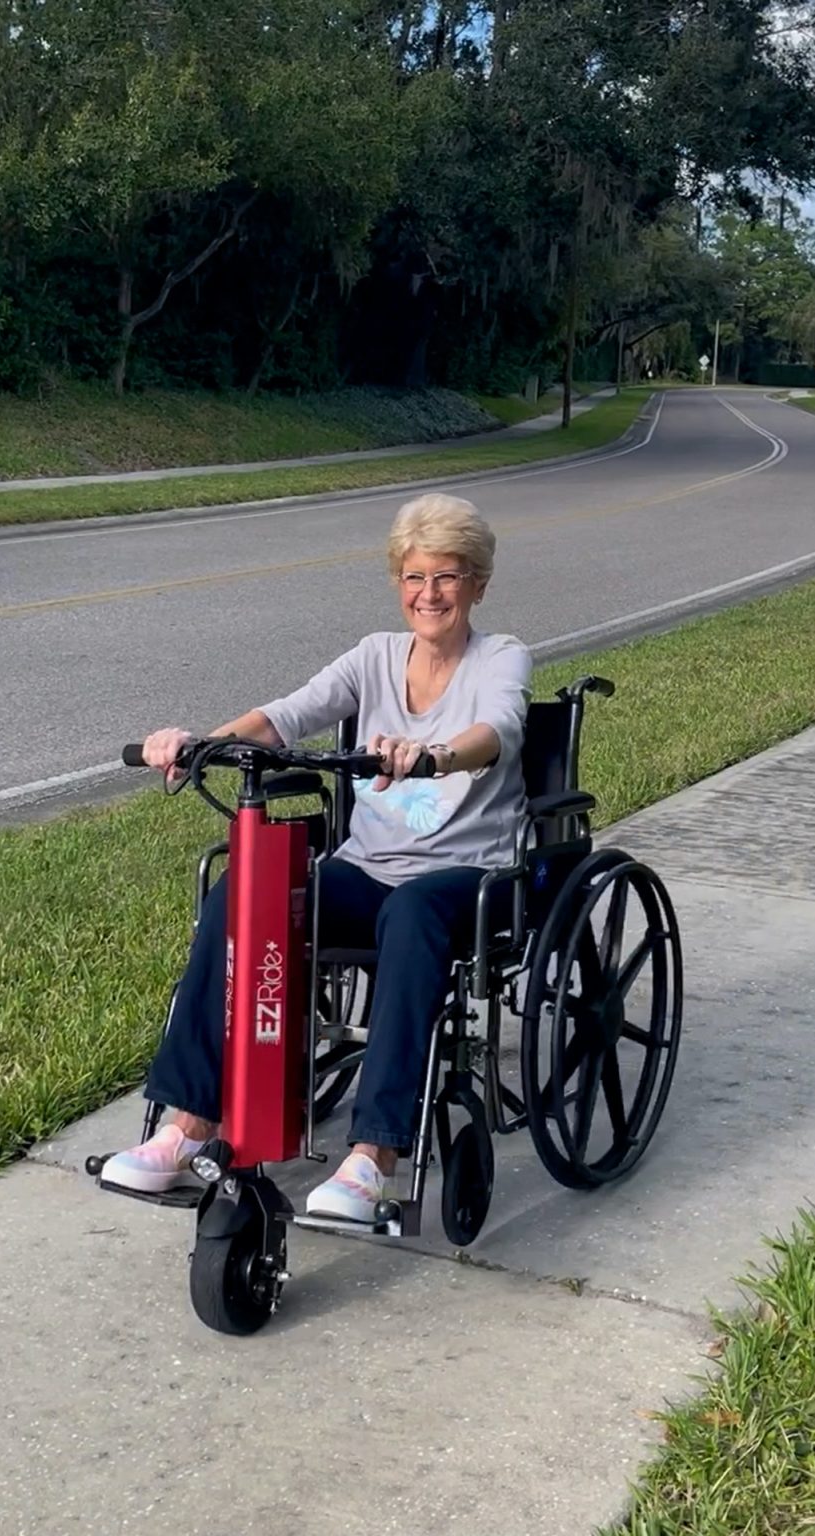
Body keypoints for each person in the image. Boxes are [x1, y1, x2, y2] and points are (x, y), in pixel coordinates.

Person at [101, 493, 531, 1223]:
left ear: (478, 584)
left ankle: (373, 1157)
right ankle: (190, 1123)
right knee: (246, 891)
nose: (429, 594)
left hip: (465, 878)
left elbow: (499, 728)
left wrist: (434, 754)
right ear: (398, 581)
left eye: (448, 577)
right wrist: (199, 744)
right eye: (415, 576)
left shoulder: (501, 657)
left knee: (412, 911)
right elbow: (286, 716)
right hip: (367, 869)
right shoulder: (374, 655)